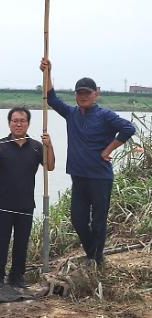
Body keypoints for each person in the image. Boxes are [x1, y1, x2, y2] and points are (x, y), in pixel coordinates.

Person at [40, 58, 135, 266]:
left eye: (87, 93)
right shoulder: (72, 114)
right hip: (79, 175)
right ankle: (93, 254)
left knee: (99, 220)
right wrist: (48, 72)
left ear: (95, 94)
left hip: (100, 177)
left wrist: (108, 149)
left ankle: (95, 259)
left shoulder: (105, 115)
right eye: (79, 94)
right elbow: (51, 99)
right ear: (76, 96)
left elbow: (129, 128)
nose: (83, 97)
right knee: (78, 219)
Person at [0, 107, 55, 288]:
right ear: (9, 123)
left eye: (22, 120)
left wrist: (49, 145)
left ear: (28, 123)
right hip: (4, 203)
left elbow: (49, 166)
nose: (18, 124)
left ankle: (17, 275)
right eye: (15, 120)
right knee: (1, 241)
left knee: (21, 242)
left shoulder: (36, 146)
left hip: (26, 203)